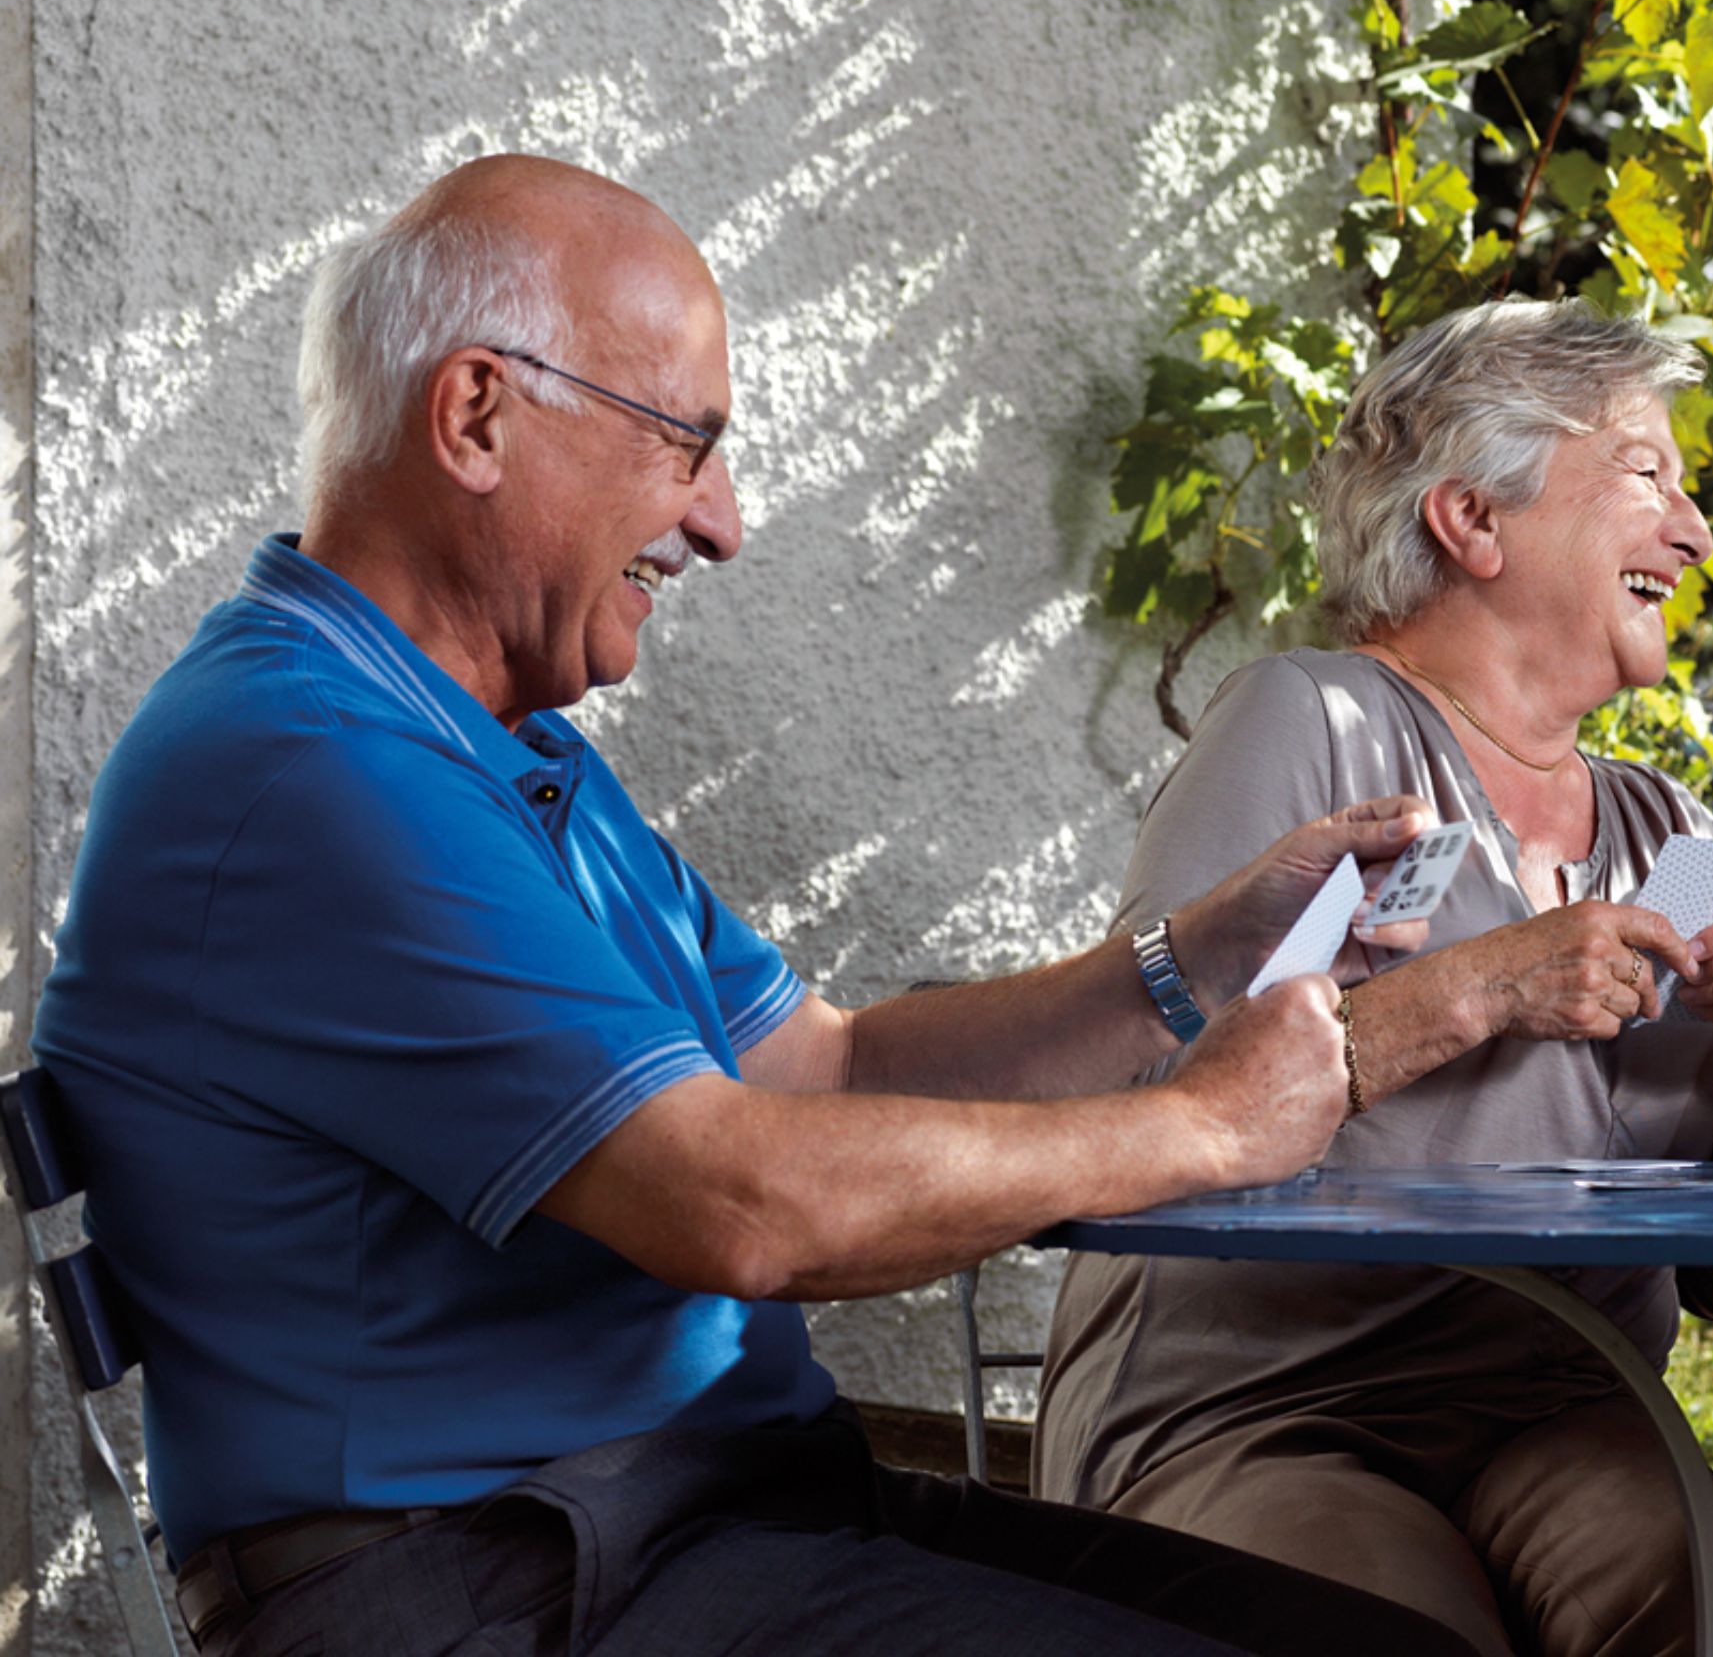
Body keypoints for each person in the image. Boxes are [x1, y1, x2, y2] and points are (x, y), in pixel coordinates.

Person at [32, 155, 1485, 1657]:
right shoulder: (314, 763)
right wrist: (1208, 1127)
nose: (720, 524)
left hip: (694, 1521)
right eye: (687, 445)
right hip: (489, 1584)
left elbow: (827, 1070)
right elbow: (739, 1204)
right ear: (476, 418)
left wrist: (1194, 959)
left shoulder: (485, 744)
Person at [1035, 298, 1713, 1657]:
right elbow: (1147, 1091)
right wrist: (1481, 988)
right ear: (1473, 518)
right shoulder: (1316, 722)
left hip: (1562, 1413)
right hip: (1265, 1412)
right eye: (1647, 474)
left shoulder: (1679, 839)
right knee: (1388, 1628)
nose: (1697, 533)